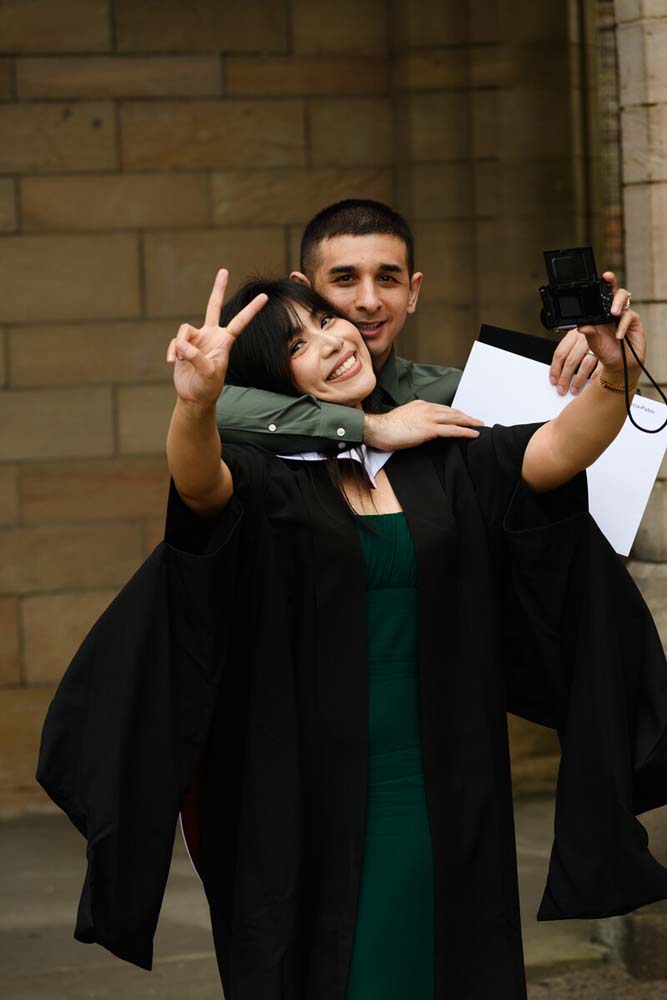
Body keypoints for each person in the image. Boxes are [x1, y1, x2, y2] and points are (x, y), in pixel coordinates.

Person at [37, 269, 667, 1000]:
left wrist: (615, 375)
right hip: (306, 795)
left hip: (446, 778)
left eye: (325, 320)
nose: (333, 341)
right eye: (297, 346)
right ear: (277, 383)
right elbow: (198, 483)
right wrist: (197, 404)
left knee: (447, 963)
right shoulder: (268, 480)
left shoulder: (439, 451)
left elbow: (559, 450)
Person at [216, 199, 596, 455]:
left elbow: (573, 442)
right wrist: (371, 427)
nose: (369, 301)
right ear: (305, 291)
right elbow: (207, 409)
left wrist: (605, 359)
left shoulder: (458, 392)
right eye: (345, 279)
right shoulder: (261, 391)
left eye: (387, 279)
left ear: (412, 293)